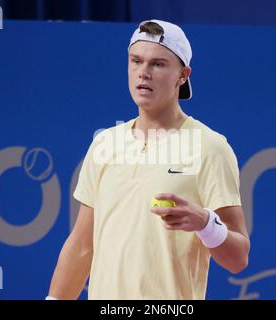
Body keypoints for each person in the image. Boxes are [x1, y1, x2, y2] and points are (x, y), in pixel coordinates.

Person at [46, 19, 250, 300]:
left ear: (183, 75)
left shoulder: (211, 147)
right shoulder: (106, 143)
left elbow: (238, 257)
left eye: (158, 64)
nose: (144, 73)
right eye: (136, 61)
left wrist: (205, 223)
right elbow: (82, 245)